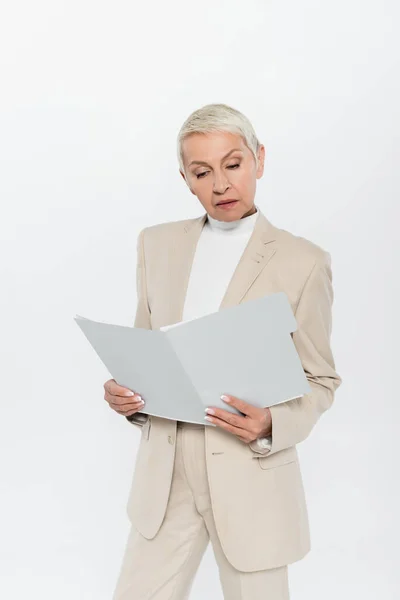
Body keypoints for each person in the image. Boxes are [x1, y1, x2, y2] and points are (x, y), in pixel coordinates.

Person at [104, 103, 342, 600]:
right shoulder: (157, 246)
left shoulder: (304, 262)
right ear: (186, 180)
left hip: (249, 471)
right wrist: (126, 394)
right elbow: (145, 348)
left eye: (233, 165)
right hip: (167, 474)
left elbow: (321, 379)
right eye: (202, 172)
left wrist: (273, 423)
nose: (220, 184)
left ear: (259, 159)